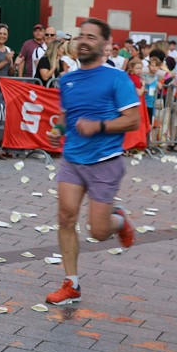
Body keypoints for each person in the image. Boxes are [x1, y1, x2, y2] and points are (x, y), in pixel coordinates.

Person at [45, 18, 140, 305]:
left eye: (91, 37)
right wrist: (58, 130)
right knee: (65, 216)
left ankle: (118, 219)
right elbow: (68, 114)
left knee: (98, 233)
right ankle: (71, 283)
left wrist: (98, 126)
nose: (83, 41)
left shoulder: (117, 78)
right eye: (81, 36)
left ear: (105, 45)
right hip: (72, 158)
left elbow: (133, 120)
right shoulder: (67, 79)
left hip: (105, 160)